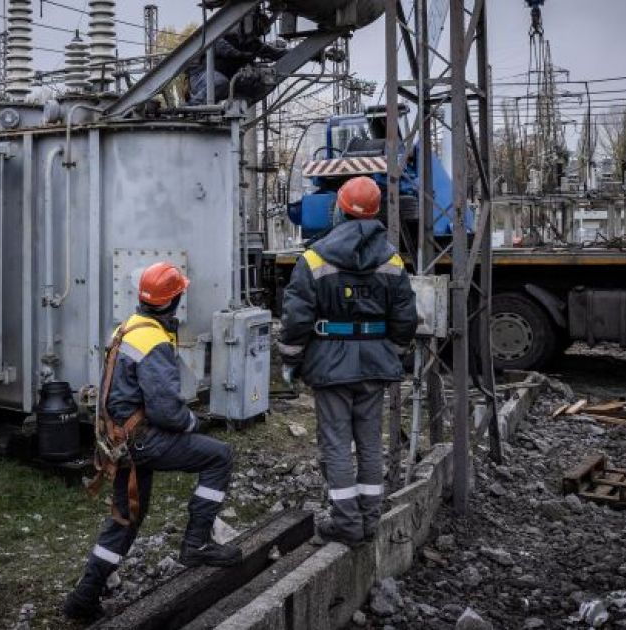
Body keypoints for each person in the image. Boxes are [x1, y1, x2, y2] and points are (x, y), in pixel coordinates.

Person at [63, 262, 242, 621]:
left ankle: (84, 598)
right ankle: (196, 544)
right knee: (219, 457)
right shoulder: (154, 340)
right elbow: (166, 411)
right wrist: (193, 421)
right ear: (173, 300)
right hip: (143, 440)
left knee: (126, 518)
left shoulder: (127, 327)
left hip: (119, 441)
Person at [278, 176, 417, 547]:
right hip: (374, 364)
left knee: (337, 444)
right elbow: (405, 317)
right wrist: (393, 352)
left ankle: (347, 525)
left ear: (338, 209)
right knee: (370, 442)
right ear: (375, 213)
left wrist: (290, 360)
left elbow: (296, 319)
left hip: (329, 366)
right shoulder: (391, 259)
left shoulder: (314, 258)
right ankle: (370, 520)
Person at [187, 10, 287, 105]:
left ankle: (236, 107)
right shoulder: (224, 34)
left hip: (225, 82)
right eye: (256, 30)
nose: (255, 36)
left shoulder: (253, 44)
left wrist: (293, 52)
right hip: (201, 76)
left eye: (259, 33)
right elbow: (222, 47)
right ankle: (192, 107)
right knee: (219, 83)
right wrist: (240, 54)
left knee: (261, 84)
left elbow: (277, 53)